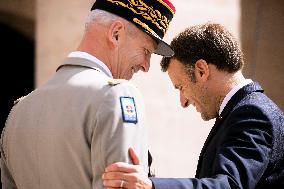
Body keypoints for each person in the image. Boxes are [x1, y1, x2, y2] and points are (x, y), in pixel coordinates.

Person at [0, 0, 176, 188]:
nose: (146, 66)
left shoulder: (19, 110)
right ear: (116, 34)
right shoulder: (116, 95)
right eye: (146, 51)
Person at [102, 23, 284, 189]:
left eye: (181, 87)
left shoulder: (252, 114)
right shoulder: (240, 111)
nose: (183, 102)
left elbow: (229, 185)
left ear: (202, 70)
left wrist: (151, 186)